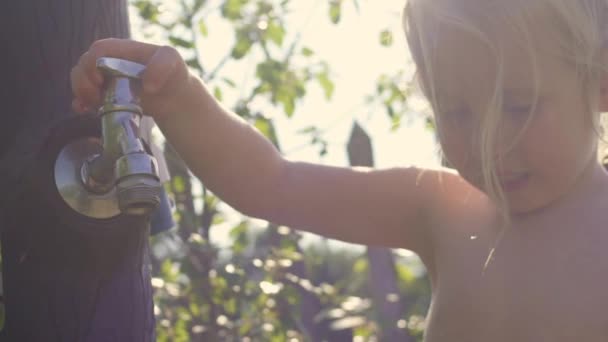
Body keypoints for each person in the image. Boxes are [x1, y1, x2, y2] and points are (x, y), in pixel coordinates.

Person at [70, 0, 608, 340]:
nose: (491, 143)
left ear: (600, 82)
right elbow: (271, 183)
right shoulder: (440, 208)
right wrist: (180, 99)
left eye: (520, 105)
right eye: (457, 111)